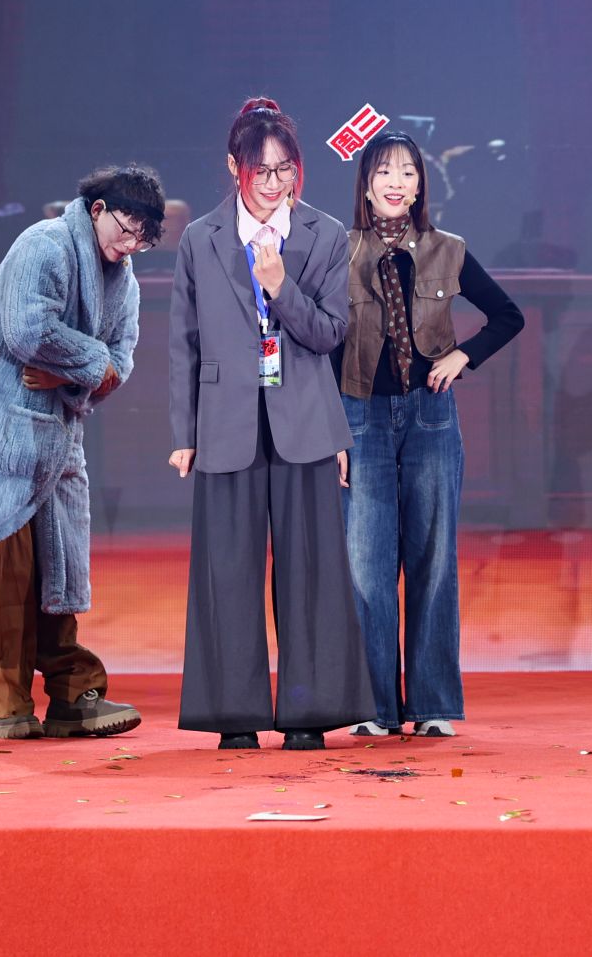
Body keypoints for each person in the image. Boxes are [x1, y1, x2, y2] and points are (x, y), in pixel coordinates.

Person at [169, 97, 374, 750]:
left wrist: (281, 286)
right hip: (224, 420)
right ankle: (234, 715)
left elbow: (330, 332)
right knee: (226, 569)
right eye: (262, 170)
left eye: (286, 168)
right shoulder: (201, 237)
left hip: (305, 419)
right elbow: (184, 341)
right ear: (235, 167)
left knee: (311, 570)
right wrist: (184, 433)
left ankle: (309, 714)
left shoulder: (324, 234)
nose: (275, 182)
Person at [0, 164, 163, 739]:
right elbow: (26, 331)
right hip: (3, 432)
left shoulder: (126, 281)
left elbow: (121, 363)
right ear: (97, 209)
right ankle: (8, 705)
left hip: (60, 434)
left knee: (59, 571)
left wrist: (70, 374)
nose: (130, 245)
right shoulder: (44, 244)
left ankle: (71, 696)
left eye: (143, 238)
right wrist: (92, 364)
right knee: (7, 571)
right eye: (126, 229)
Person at [335, 130, 524, 738]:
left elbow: (508, 316)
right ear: (366, 184)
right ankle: (374, 707)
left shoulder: (448, 249)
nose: (397, 183)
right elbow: (318, 344)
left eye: (408, 173)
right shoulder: (337, 250)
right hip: (359, 418)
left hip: (431, 417)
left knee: (433, 560)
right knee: (367, 566)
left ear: (421, 185)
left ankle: (434, 703)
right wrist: (330, 431)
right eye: (385, 172)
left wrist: (463, 356)